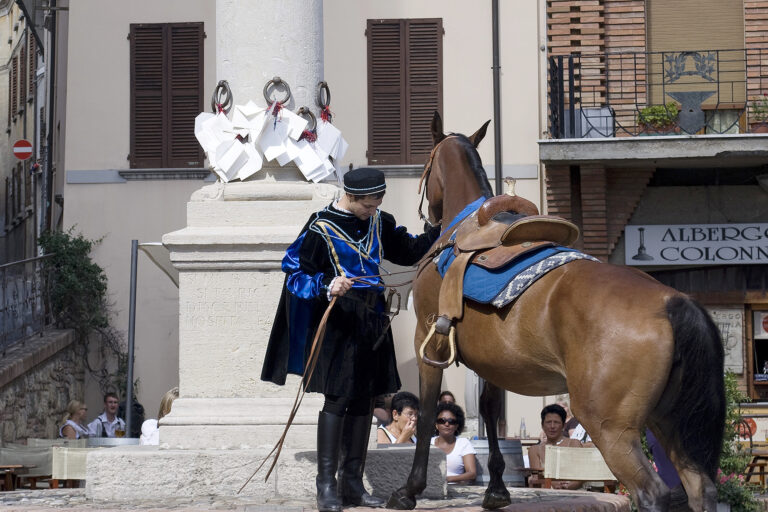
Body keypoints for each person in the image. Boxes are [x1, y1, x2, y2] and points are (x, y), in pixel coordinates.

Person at [261, 167, 441, 512]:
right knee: (338, 399)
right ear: (353, 197)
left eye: (378, 203)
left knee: (364, 401)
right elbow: (295, 271)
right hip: (337, 322)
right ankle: (326, 486)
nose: (373, 210)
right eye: (369, 204)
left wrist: (437, 225)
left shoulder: (379, 221)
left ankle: (353, 485)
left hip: (372, 319)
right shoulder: (320, 226)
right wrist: (327, 284)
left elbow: (408, 251)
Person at [528, 403, 583, 490]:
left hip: (573, 494)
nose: (552, 426)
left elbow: (581, 477)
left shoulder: (574, 444)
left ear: (563, 426)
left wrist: (567, 487)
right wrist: (554, 484)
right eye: (548, 422)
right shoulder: (535, 450)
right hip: (546, 496)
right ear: (542, 425)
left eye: (556, 422)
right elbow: (536, 478)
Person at [431, 402, 477, 484]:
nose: (447, 424)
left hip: (457, 489)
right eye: (442, 421)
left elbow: (472, 473)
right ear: (436, 425)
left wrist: (447, 479)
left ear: (456, 426)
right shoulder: (429, 443)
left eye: (451, 421)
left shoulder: (463, 443)